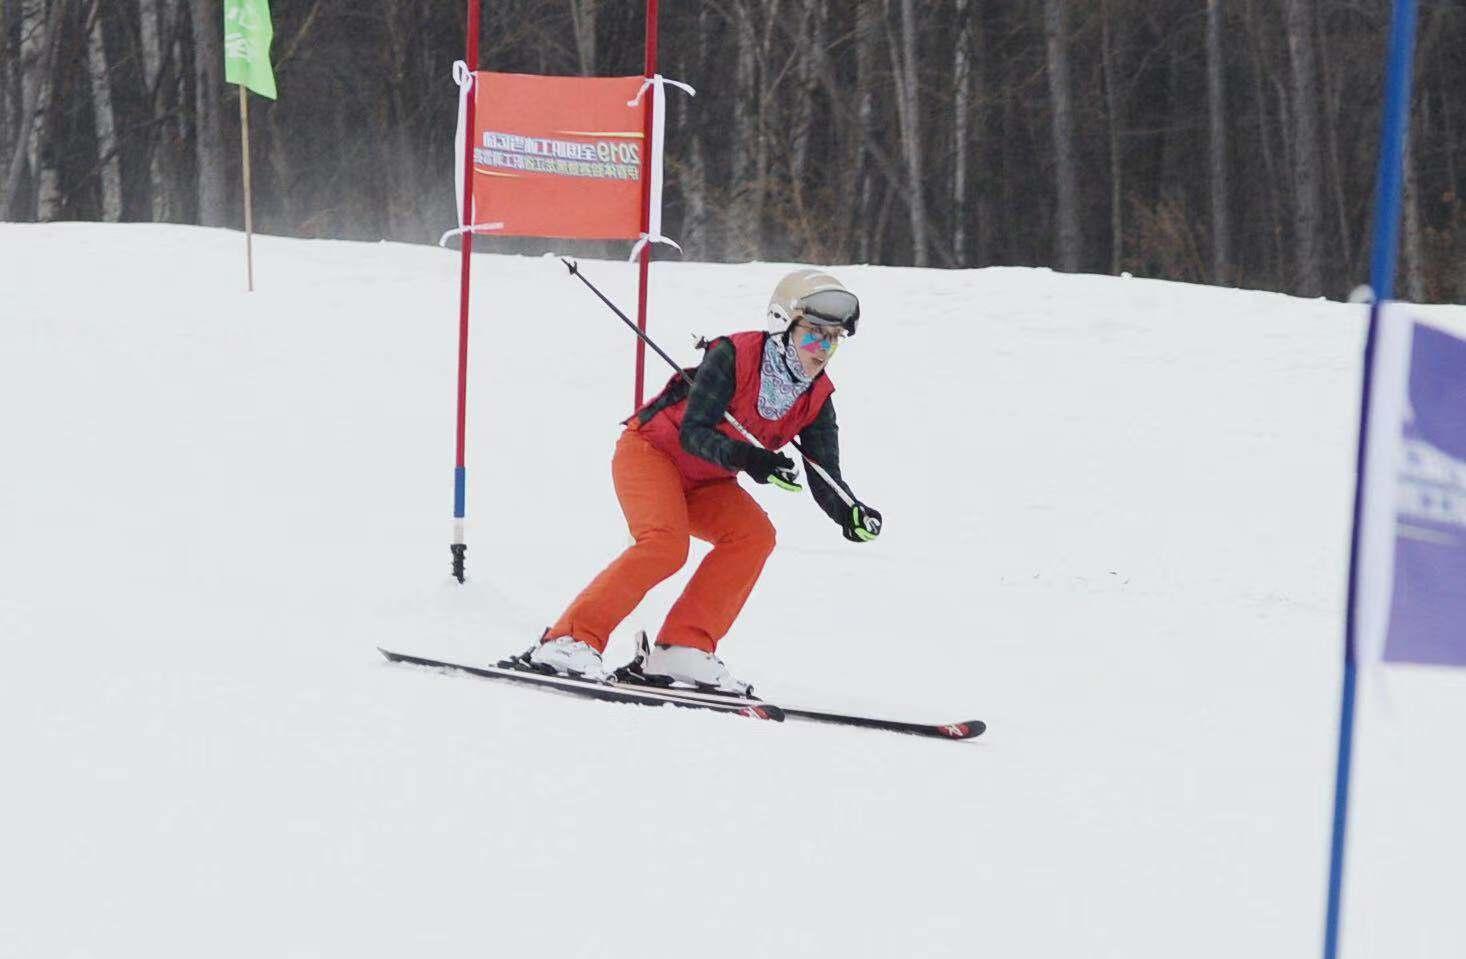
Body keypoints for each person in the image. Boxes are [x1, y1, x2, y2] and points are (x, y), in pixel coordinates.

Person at [521, 268, 882, 694]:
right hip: (652, 454)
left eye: (834, 338)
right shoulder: (733, 355)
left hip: (708, 480)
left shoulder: (816, 397)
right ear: (783, 324)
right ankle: (568, 641)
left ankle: (683, 647)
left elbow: (825, 472)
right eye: (814, 333)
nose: (823, 348)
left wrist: (849, 511)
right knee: (665, 545)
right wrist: (751, 459)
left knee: (754, 535)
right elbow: (694, 432)